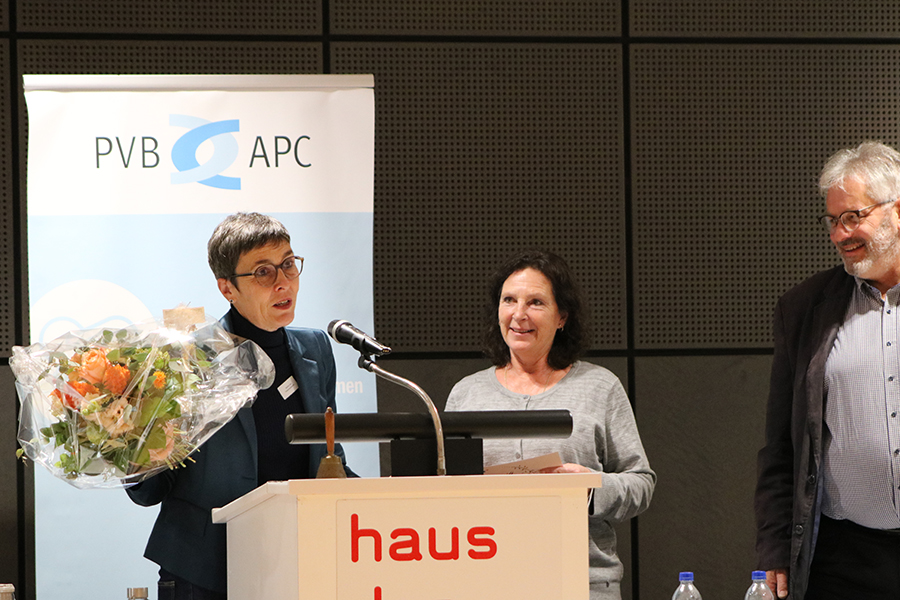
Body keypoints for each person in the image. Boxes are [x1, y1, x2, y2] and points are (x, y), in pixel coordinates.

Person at [127, 212, 353, 600]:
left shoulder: (316, 348)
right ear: (227, 288)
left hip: (296, 561)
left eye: (288, 264)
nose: (283, 282)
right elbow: (147, 490)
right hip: (204, 570)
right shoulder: (187, 358)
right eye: (263, 272)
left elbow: (328, 457)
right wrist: (131, 442)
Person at [444, 250, 655, 600]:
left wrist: (590, 488)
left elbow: (641, 482)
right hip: (487, 581)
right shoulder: (467, 394)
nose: (519, 314)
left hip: (582, 582)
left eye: (536, 302)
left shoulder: (600, 387)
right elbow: (445, 488)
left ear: (562, 317)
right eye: (509, 300)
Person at [755, 141, 900, 600]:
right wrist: (775, 545)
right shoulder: (804, 310)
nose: (840, 235)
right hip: (847, 559)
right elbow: (782, 444)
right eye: (833, 221)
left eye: (853, 217)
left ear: (897, 211)